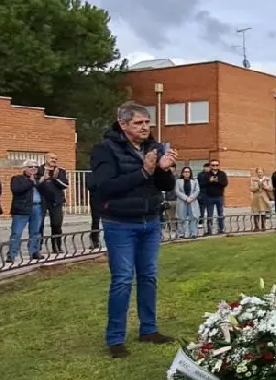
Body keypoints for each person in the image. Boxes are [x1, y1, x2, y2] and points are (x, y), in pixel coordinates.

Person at [90, 101, 179, 358]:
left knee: (148, 276)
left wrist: (163, 169)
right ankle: (115, 339)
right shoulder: (105, 150)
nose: (145, 127)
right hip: (120, 224)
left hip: (149, 221)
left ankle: (148, 329)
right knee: (122, 280)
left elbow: (163, 185)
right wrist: (143, 171)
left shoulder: (154, 146)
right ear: (123, 124)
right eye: (138, 123)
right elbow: (104, 187)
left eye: (147, 122)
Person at [7, 160, 46, 262]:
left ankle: (34, 252)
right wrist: (31, 182)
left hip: (37, 208)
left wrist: (42, 182)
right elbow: (17, 190)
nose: (33, 169)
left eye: (35, 167)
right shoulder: (17, 179)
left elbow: (47, 193)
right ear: (24, 169)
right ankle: (12, 254)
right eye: (30, 167)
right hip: (22, 209)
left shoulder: (39, 180)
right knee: (16, 232)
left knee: (36, 232)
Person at [36, 153, 69, 254]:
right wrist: (43, 179)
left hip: (56, 201)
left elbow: (65, 185)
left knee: (56, 225)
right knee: (38, 225)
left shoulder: (60, 171)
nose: (54, 160)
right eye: (52, 158)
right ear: (46, 159)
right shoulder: (38, 170)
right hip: (41, 201)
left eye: (56, 158)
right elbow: (34, 185)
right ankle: (37, 248)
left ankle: (57, 247)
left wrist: (55, 179)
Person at [202, 159, 228, 234]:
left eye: (216, 165)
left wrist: (218, 181)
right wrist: (209, 181)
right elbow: (203, 184)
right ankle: (210, 230)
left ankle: (221, 229)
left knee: (220, 213)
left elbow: (225, 183)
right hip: (209, 197)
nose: (215, 167)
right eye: (213, 165)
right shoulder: (207, 174)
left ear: (219, 166)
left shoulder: (222, 174)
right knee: (210, 214)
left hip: (219, 196)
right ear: (210, 166)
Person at [175, 166, 200, 239]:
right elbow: (177, 191)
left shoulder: (195, 181)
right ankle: (181, 234)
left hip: (192, 201)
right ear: (182, 173)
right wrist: (186, 198)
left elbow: (197, 190)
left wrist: (191, 198)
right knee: (181, 218)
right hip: (182, 201)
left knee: (193, 217)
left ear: (190, 173)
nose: (186, 173)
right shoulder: (178, 181)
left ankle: (193, 234)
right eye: (185, 172)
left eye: (188, 172)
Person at [197, 162, 210, 230]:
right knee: (201, 210)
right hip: (202, 195)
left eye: (208, 167)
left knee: (209, 211)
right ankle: (200, 223)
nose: (207, 169)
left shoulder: (211, 174)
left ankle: (209, 223)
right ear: (204, 168)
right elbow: (200, 183)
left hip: (210, 195)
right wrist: (209, 181)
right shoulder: (200, 174)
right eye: (206, 167)